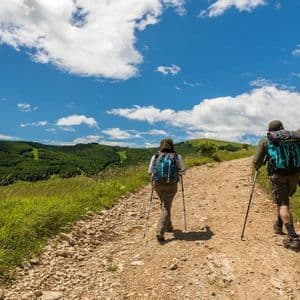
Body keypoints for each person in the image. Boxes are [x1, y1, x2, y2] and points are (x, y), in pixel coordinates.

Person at [253, 120, 300, 250]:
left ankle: (293, 237)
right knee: (284, 201)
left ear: (270, 131)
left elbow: (256, 161)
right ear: (282, 128)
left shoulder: (266, 140)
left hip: (277, 175)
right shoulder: (294, 137)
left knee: (283, 203)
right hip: (295, 173)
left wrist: (258, 166)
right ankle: (278, 226)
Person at [148, 138, 185, 243]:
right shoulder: (177, 156)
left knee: (164, 204)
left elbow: (150, 171)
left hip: (158, 184)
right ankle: (160, 231)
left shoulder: (155, 156)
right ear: (172, 145)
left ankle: (169, 226)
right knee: (166, 206)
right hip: (171, 185)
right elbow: (183, 170)